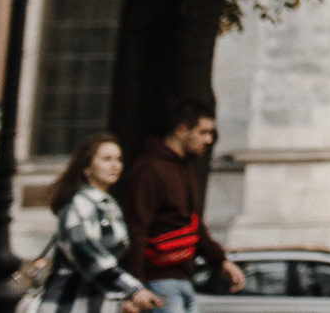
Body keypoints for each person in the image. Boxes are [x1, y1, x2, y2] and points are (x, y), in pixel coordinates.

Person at [119, 103, 244, 313]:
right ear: (181, 130)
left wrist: (221, 261)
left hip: (182, 281)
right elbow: (136, 230)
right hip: (157, 283)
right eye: (203, 132)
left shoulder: (184, 167)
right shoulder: (149, 169)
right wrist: (136, 288)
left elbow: (193, 225)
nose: (209, 140)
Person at [42, 135, 162, 313]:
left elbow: (109, 265)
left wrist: (122, 301)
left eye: (118, 159)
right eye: (107, 159)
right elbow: (90, 256)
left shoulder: (109, 205)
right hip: (68, 305)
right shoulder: (79, 205)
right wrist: (133, 289)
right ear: (86, 168)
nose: (115, 165)